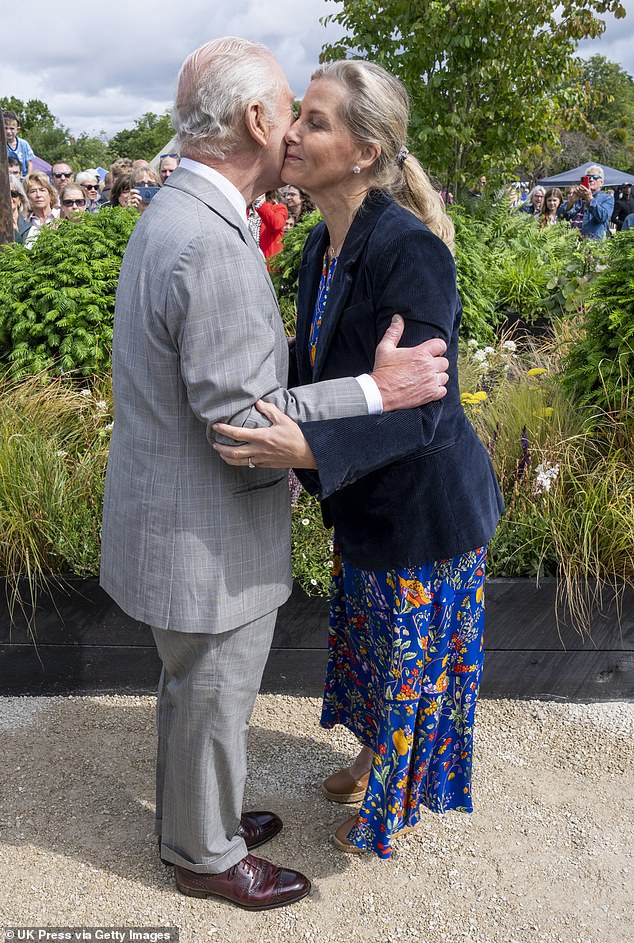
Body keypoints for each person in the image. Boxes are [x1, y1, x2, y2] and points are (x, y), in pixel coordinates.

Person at [100, 37, 451, 911]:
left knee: (197, 690)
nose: (294, 126)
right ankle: (206, 853)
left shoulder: (181, 214)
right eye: (292, 107)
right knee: (210, 692)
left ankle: (199, 817)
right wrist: (378, 385)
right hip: (207, 536)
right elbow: (243, 415)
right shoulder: (213, 241)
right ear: (257, 119)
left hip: (181, 521)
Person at [213, 58, 504, 859]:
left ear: (366, 151)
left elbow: (427, 409)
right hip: (365, 498)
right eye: (298, 116)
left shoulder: (410, 253)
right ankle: (374, 754)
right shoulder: (320, 246)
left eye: (315, 120)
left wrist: (308, 445)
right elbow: (327, 376)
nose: (292, 134)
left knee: (408, 661)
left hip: (423, 509)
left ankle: (390, 808)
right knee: (374, 646)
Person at [559, 165, 614, 240]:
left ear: (601, 182)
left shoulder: (607, 198)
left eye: (595, 177)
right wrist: (570, 202)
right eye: (588, 177)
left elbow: (603, 217)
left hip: (592, 244)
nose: (591, 179)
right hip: (571, 242)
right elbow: (560, 215)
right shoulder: (577, 197)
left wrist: (590, 199)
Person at [4, 110, 34, 177]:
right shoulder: (2, 145)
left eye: (12, 128)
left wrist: (28, 177)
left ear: (17, 130)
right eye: (5, 128)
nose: (8, 131)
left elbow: (29, 163)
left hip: (22, 177)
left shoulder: (24, 144)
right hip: (6, 178)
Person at [9, 176, 33, 244]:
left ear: (20, 199)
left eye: (13, 194)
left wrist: (15, 233)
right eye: (2, 193)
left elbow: (26, 254)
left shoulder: (30, 230)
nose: (8, 197)